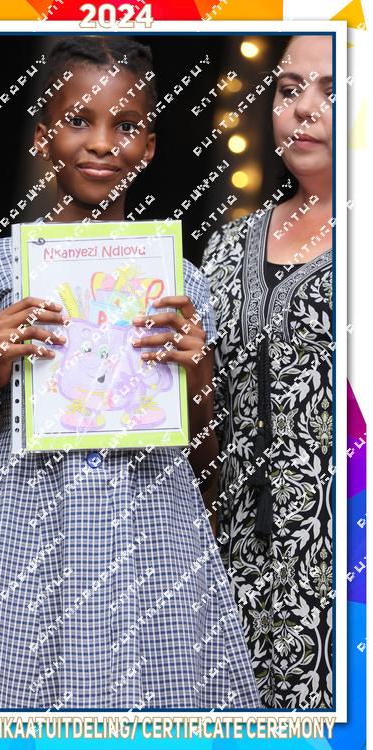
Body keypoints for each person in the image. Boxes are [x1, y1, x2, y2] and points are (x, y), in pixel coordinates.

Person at [0, 36, 260, 710]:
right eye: (78, 120)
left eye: (127, 125)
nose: (103, 143)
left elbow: (208, 470)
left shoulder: (180, 283)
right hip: (26, 536)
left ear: (150, 146)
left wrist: (196, 373)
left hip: (154, 539)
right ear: (43, 137)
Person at [201, 35, 333, 709]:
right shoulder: (226, 247)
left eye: (332, 90)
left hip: (347, 576)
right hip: (237, 572)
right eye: (289, 90)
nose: (304, 109)